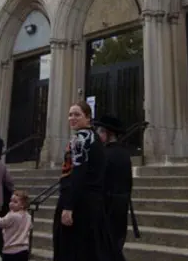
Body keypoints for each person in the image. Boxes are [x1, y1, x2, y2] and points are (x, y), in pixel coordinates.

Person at [52, 101, 125, 261]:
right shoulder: (94, 138)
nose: (72, 118)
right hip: (91, 202)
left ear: (88, 118)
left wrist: (69, 206)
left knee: (72, 250)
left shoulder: (81, 139)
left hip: (79, 203)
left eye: (77, 114)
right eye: (70, 114)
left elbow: (78, 172)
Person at [94, 115, 135, 253]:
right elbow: (129, 182)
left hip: (106, 207)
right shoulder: (125, 154)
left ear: (108, 133)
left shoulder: (103, 154)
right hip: (121, 206)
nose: (97, 135)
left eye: (99, 131)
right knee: (116, 246)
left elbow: (99, 182)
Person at [0, 190, 32, 261]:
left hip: (11, 250)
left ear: (22, 205)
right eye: (11, 201)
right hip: (24, 250)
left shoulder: (12, 216)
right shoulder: (28, 216)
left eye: (15, 202)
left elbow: (0, 223)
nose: (11, 203)